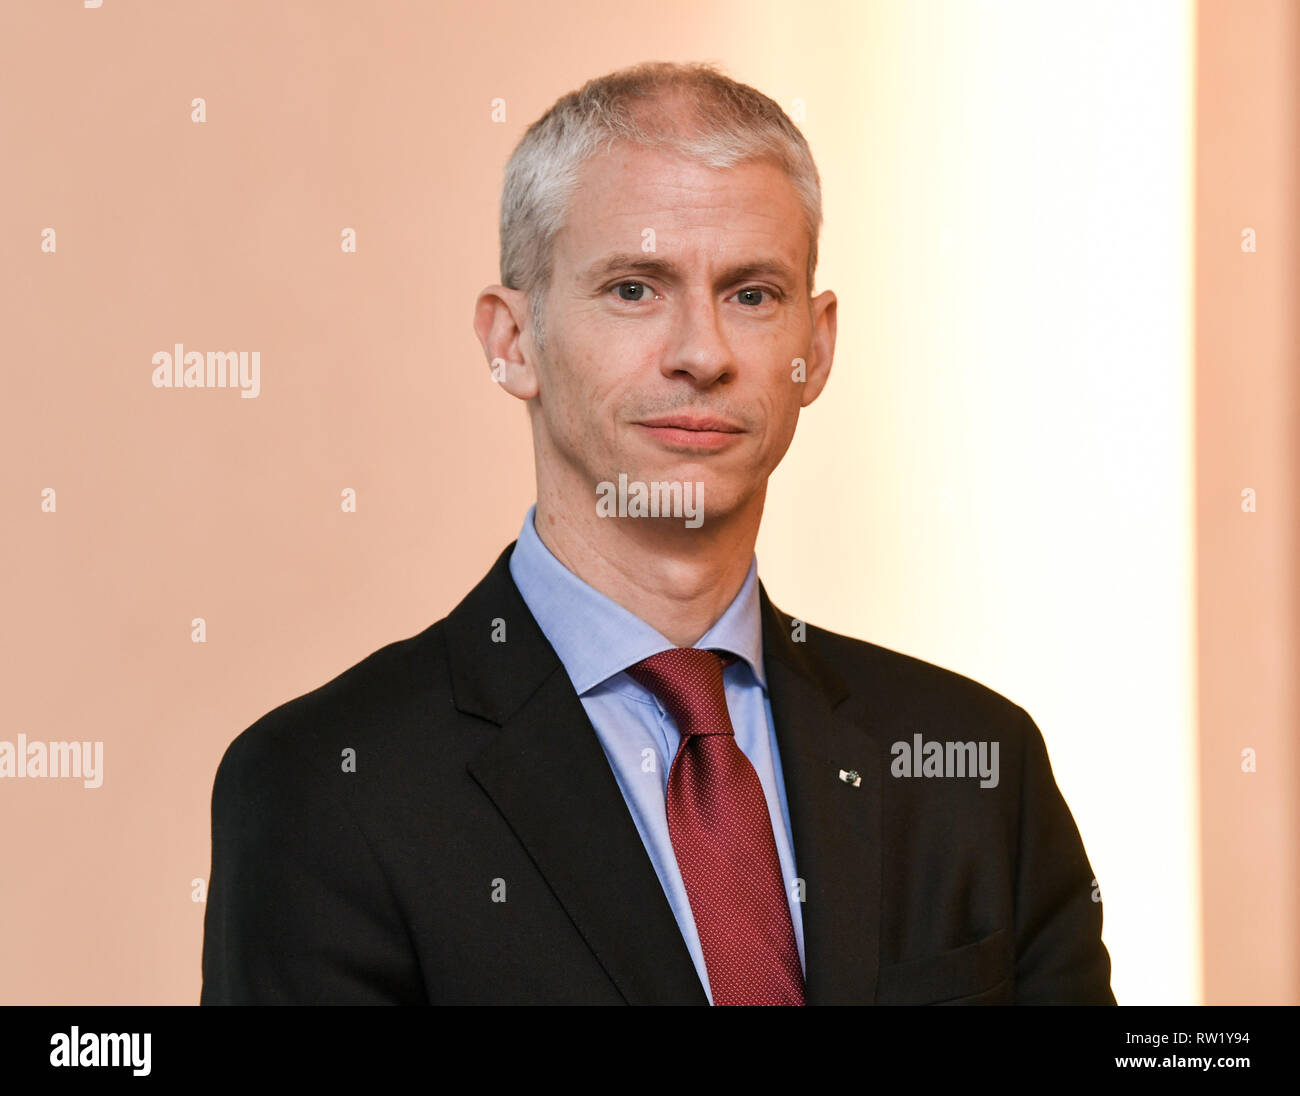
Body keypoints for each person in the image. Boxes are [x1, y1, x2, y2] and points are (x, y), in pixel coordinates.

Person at [200, 60, 1115, 1006]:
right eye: (635, 289)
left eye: (752, 295)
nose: (702, 353)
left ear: (818, 346)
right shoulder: (331, 789)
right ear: (513, 342)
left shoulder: (974, 765)